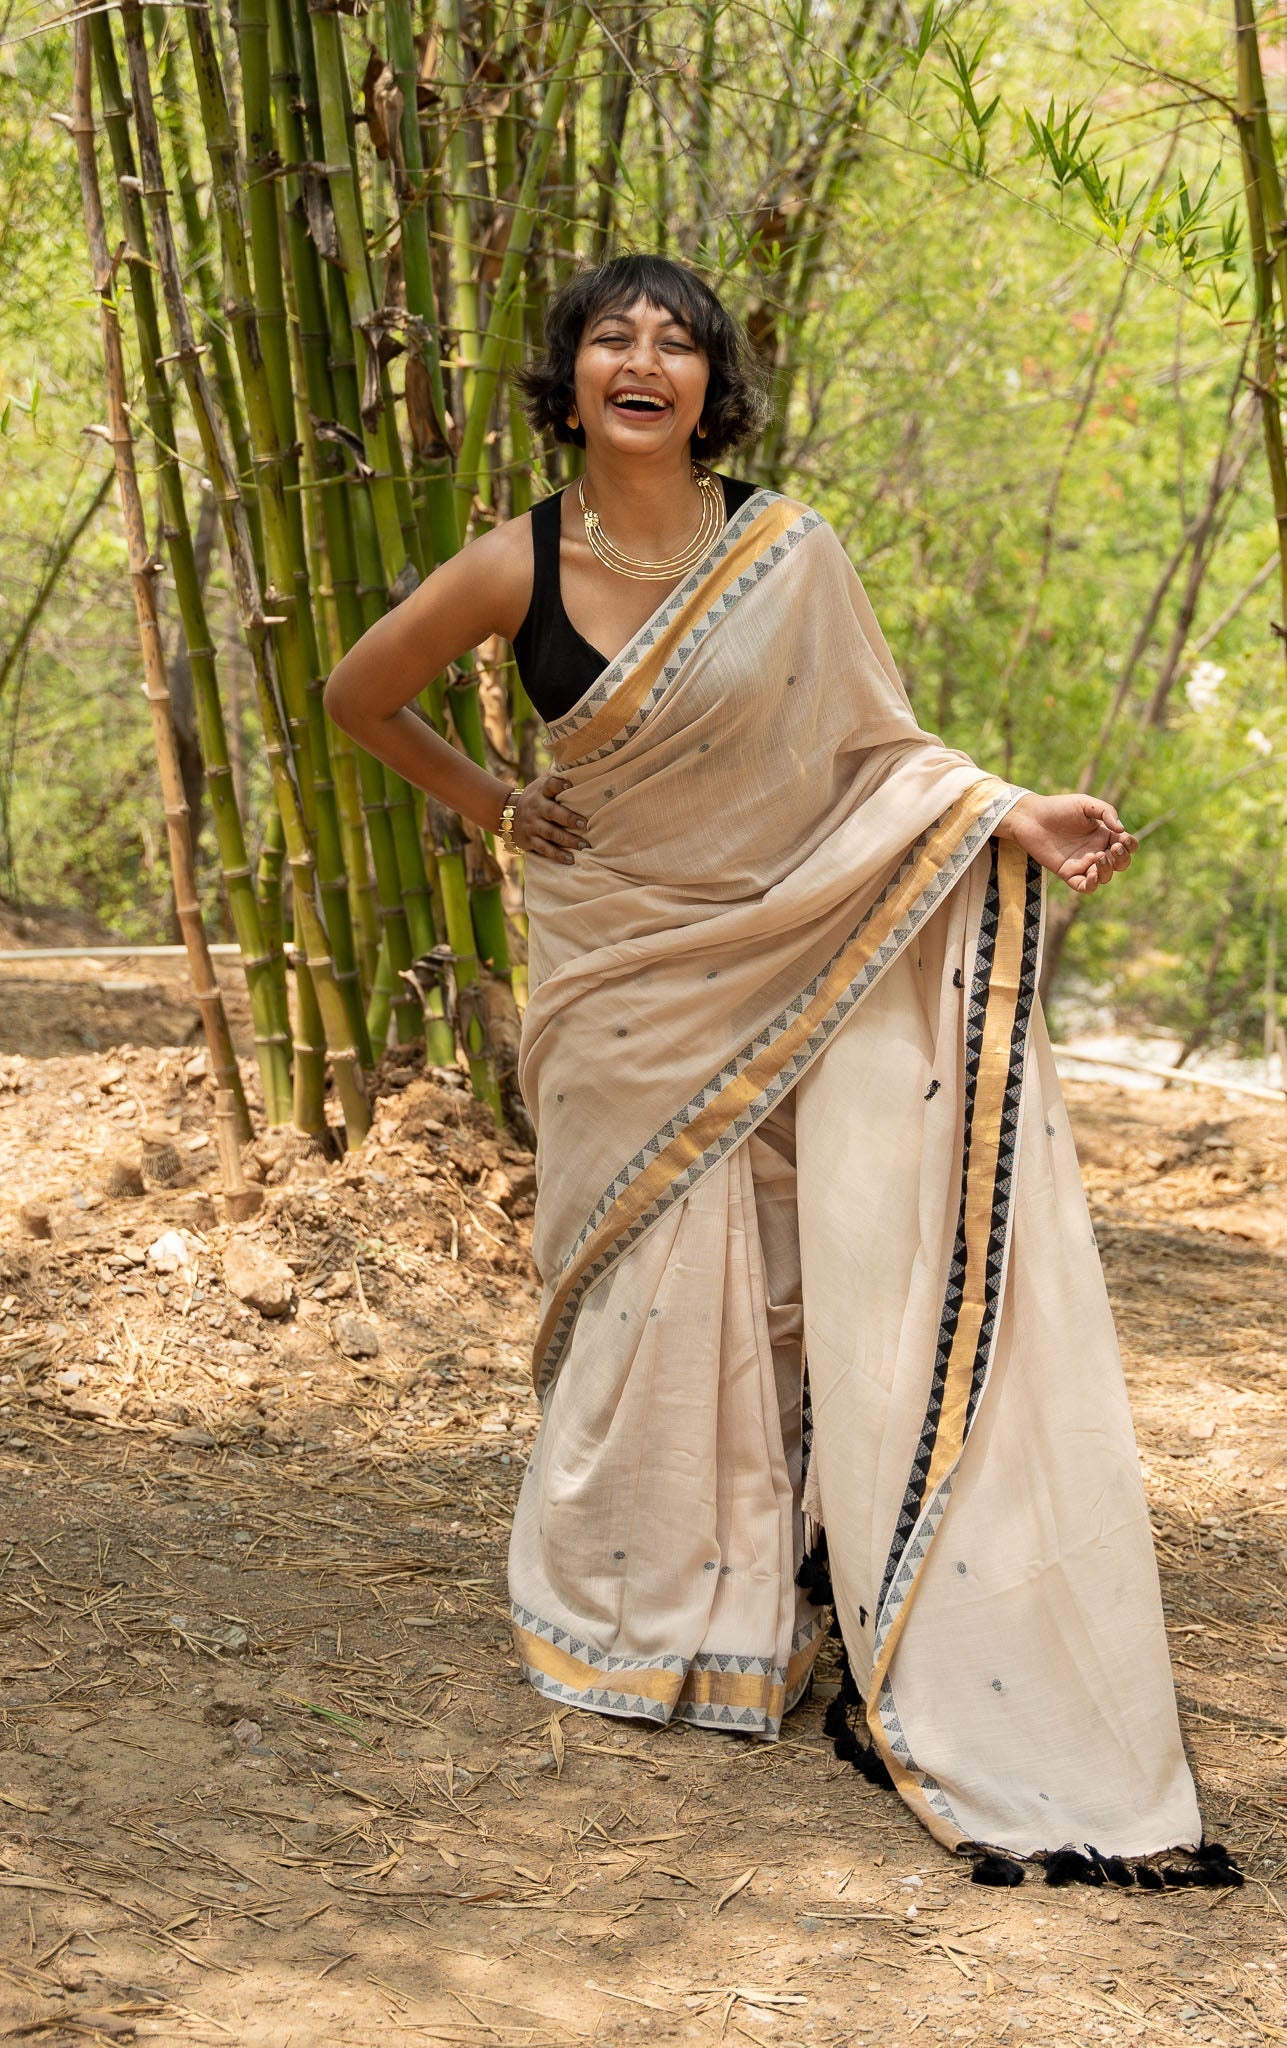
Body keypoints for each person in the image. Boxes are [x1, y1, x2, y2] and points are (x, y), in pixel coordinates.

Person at [325, 253, 1240, 1890]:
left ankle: (769, 1601)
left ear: (711, 389)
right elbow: (357, 694)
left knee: (766, 1275)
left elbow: (876, 756)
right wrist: (497, 804)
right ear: (570, 377)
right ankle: (633, 1609)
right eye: (613, 336)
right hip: (613, 969)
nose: (644, 359)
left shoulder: (787, 551)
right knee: (646, 1280)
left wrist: (1007, 813)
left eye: (677, 342)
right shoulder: (512, 562)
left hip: (780, 942)